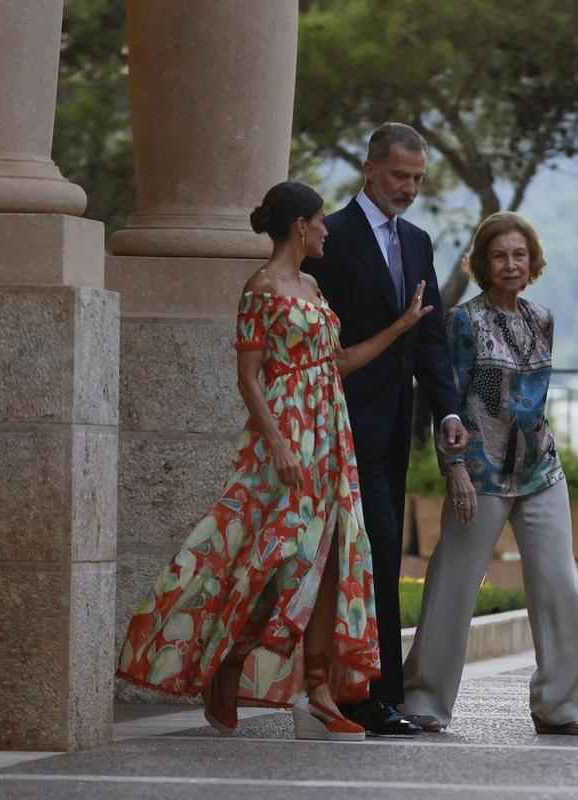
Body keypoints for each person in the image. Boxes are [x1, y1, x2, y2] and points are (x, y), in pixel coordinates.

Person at [117, 181, 435, 742]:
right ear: (300, 228)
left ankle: (315, 695)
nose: (327, 231)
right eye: (320, 222)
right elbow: (248, 378)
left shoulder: (312, 285)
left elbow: (335, 362)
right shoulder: (261, 287)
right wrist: (282, 445)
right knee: (277, 561)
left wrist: (401, 328)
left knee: (331, 560)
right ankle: (228, 664)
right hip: (286, 434)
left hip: (331, 432)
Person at [399, 212, 578, 736]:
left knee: (565, 588)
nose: (510, 264)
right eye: (499, 255)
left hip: (540, 472)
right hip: (480, 475)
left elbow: (533, 402)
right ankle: (422, 700)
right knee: (453, 586)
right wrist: (454, 471)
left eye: (519, 255)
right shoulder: (463, 322)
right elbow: (446, 400)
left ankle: (565, 706)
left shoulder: (543, 318)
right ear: (483, 264)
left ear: (532, 262)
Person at [302, 122, 469, 736]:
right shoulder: (332, 237)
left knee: (382, 553)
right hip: (338, 426)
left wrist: (448, 412)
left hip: (397, 429)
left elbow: (430, 340)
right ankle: (365, 699)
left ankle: (374, 695)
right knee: (366, 553)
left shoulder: (420, 241)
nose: (410, 188)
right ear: (370, 170)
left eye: (419, 178)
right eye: (400, 176)